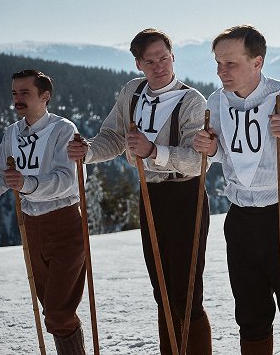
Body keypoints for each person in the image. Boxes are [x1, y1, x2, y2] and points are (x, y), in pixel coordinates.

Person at [67, 29, 212, 354]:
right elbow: (114, 137)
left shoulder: (191, 101)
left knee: (185, 294)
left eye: (164, 57)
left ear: (173, 56)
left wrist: (152, 151)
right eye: (151, 61)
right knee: (161, 290)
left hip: (186, 196)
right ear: (138, 63)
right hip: (150, 195)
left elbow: (196, 162)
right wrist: (88, 151)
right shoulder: (132, 92)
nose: (160, 66)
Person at [192, 25, 280, 354]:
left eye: (230, 64)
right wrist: (210, 148)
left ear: (257, 62)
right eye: (218, 63)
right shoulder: (216, 101)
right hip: (241, 218)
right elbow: (229, 153)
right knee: (250, 314)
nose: (222, 72)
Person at [0, 69, 87, 354]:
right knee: (52, 310)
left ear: (45, 96)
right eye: (14, 93)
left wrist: (26, 184)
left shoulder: (62, 130)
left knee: (58, 312)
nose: (17, 99)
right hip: (31, 226)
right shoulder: (12, 133)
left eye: (25, 92)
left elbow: (66, 179)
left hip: (63, 222)